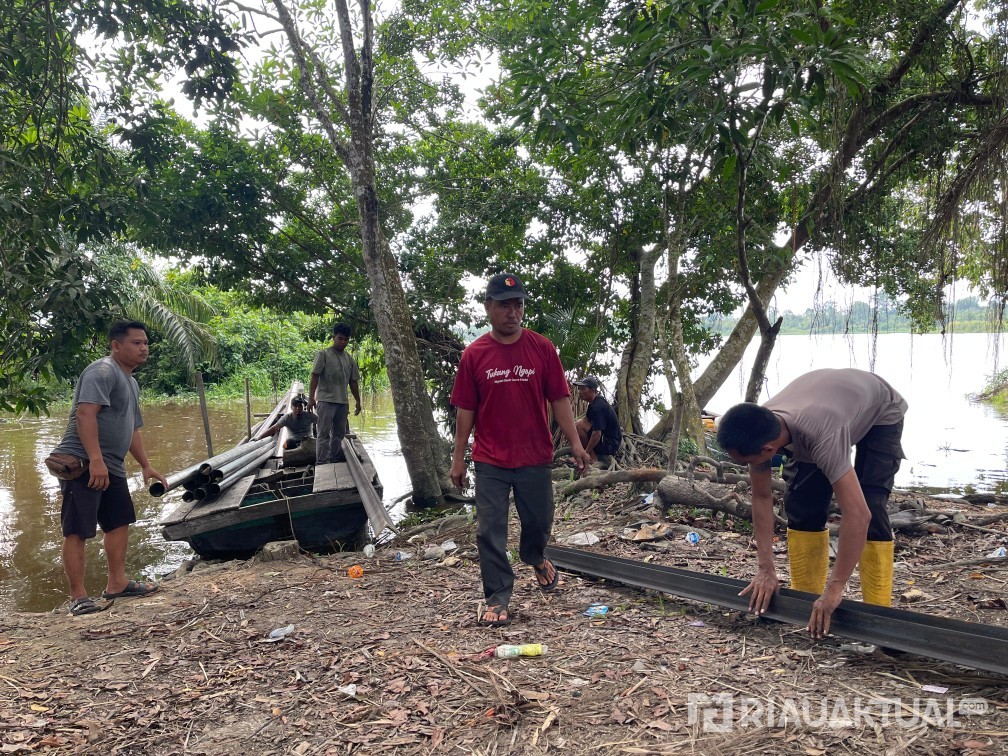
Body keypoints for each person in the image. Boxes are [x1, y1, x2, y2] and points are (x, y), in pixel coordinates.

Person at [715, 368, 907, 639]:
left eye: (746, 462)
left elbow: (858, 515)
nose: (747, 467)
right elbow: (761, 497)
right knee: (802, 506)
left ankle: (878, 614)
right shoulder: (759, 426)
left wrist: (835, 588)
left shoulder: (822, 438)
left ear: (769, 451)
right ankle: (807, 602)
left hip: (879, 410)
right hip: (828, 406)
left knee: (871, 506)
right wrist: (766, 569)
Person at [450, 272, 593, 627]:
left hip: (535, 456)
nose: (512, 312)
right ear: (488, 308)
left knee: (539, 521)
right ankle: (498, 595)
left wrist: (576, 444)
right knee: (489, 530)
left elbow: (559, 398)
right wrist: (458, 458)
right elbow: (465, 409)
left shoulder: (542, 348)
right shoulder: (474, 354)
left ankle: (534, 555)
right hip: (490, 459)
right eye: (504, 305)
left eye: (518, 305)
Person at [50, 321, 167, 616]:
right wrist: (96, 459)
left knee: (118, 522)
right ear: (116, 346)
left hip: (111, 465)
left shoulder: (131, 382)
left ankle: (118, 583)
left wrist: (146, 466)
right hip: (83, 462)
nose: (144, 348)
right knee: (78, 528)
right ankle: (78, 597)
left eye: (145, 343)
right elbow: (85, 414)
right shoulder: (101, 371)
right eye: (136, 343)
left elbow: (131, 430)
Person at [308, 323, 362, 464]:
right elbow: (315, 376)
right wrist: (311, 398)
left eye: (346, 340)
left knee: (339, 434)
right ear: (334, 338)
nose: (343, 342)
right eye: (340, 339)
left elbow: (353, 382)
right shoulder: (324, 354)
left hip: (342, 402)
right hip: (326, 401)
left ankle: (333, 459)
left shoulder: (349, 359)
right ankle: (321, 462)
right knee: (323, 434)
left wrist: (358, 400)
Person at [573, 375, 622, 462]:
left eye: (583, 389)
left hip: (609, 445)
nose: (580, 392)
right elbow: (586, 421)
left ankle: (590, 457)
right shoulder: (593, 404)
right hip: (605, 442)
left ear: (592, 390)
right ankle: (587, 454)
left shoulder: (598, 407)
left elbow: (597, 434)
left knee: (579, 425)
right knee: (578, 424)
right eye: (579, 389)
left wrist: (586, 451)